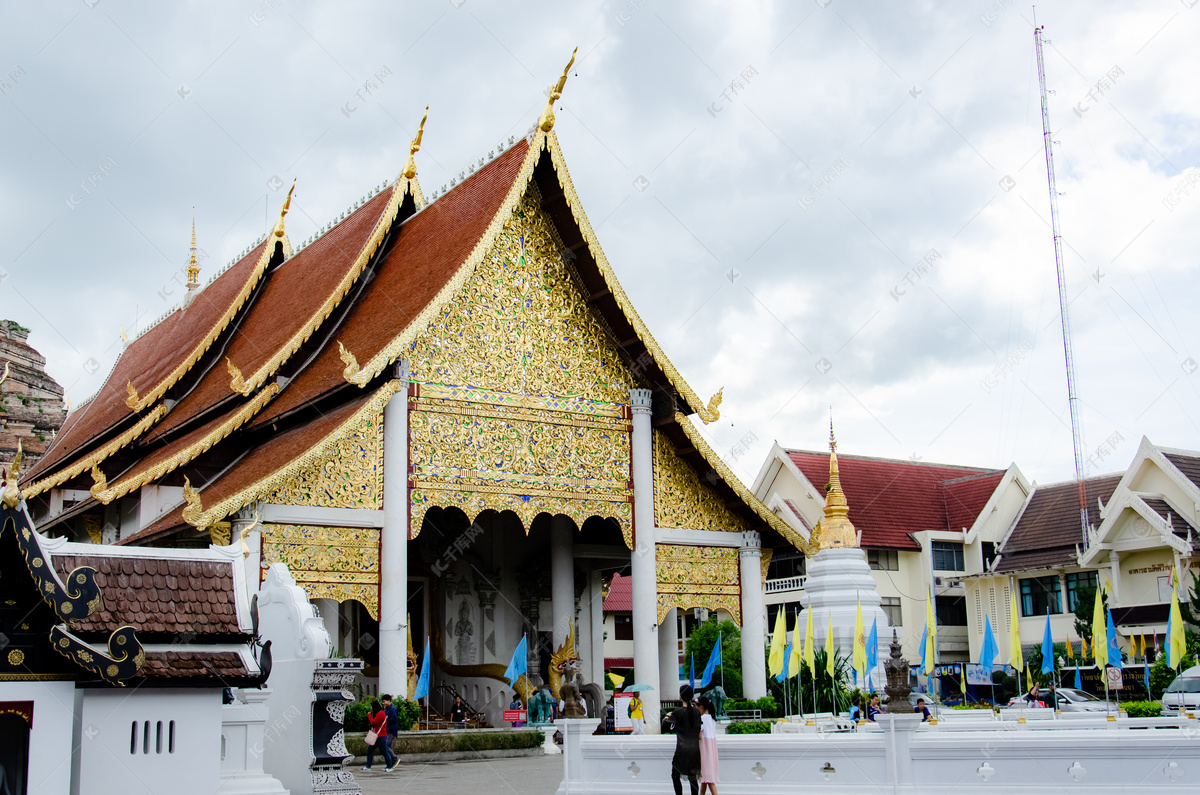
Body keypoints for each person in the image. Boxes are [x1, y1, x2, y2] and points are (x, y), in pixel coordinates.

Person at [662, 685, 701, 795]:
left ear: (681, 696)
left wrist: (666, 717)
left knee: (675, 776)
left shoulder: (678, 713)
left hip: (682, 750)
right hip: (694, 750)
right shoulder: (696, 712)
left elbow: (665, 726)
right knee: (693, 779)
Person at [362, 699, 395, 773]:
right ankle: (368, 766)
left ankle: (389, 767)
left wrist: (369, 715)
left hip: (381, 736)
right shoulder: (380, 713)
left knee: (384, 752)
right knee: (370, 750)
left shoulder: (380, 713)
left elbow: (373, 722)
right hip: (377, 736)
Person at [697, 695, 720, 795]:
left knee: (709, 780)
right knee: (705, 780)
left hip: (704, 751)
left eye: (696, 706)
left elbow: (699, 736)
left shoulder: (702, 719)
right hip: (711, 751)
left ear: (701, 706)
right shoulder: (712, 719)